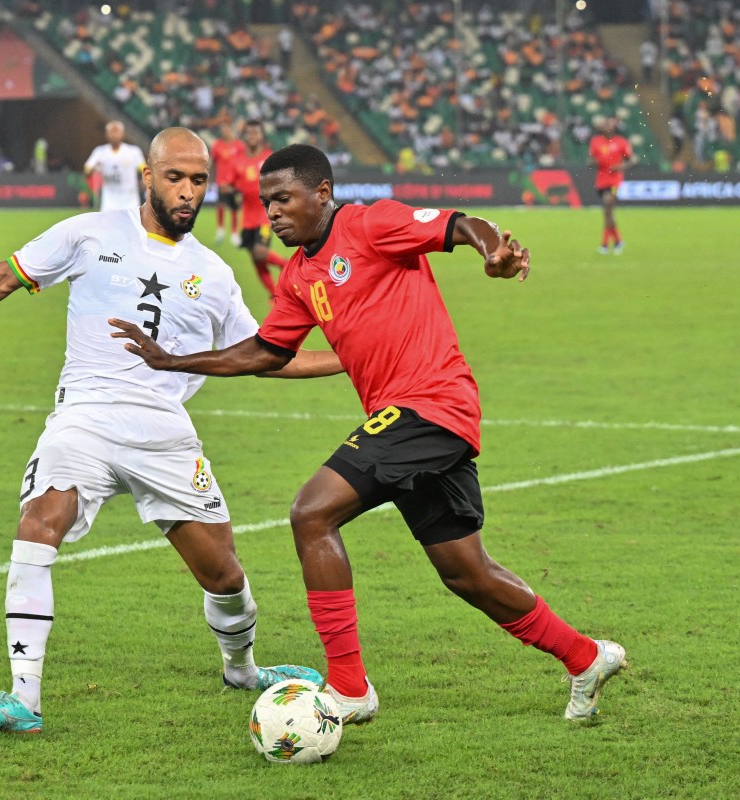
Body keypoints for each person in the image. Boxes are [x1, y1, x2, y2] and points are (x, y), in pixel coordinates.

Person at [111, 143, 627, 724]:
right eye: (266, 203)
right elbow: (266, 351)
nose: (272, 213)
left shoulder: (370, 223)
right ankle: (586, 657)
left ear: (322, 193)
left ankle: (351, 688)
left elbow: (459, 225)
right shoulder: (300, 276)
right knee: (467, 573)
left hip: (430, 403)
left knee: (311, 513)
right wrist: (174, 361)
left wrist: (493, 252)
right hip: (412, 421)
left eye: (283, 199)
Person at [0, 128, 342, 734]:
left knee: (224, 575)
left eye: (198, 181)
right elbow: (2, 276)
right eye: (175, 178)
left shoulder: (214, 273)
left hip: (165, 434)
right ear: (147, 178)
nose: (187, 192)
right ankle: (23, 699)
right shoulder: (88, 233)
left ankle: (242, 669)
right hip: (84, 419)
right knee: (38, 526)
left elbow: (266, 353)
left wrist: (350, 357)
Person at [232, 119, 288, 298]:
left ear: (262, 136)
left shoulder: (269, 158)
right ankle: (274, 294)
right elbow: (233, 185)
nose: (253, 136)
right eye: (249, 132)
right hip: (247, 217)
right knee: (256, 258)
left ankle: (285, 264)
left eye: (256, 132)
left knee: (260, 252)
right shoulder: (238, 161)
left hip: (265, 214)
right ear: (244, 136)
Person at [588, 117, 635, 255]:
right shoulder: (596, 141)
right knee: (608, 212)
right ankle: (618, 241)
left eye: (610, 124)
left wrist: (621, 166)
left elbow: (631, 160)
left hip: (614, 181)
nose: (608, 127)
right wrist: (595, 162)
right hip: (601, 181)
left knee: (608, 206)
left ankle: (604, 244)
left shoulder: (621, 142)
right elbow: (590, 160)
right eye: (605, 124)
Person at [83, 119, 146, 212]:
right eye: (111, 132)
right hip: (109, 200)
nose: (114, 135)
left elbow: (144, 169)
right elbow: (87, 169)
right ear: (106, 134)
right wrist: (93, 169)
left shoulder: (133, 152)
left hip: (130, 199)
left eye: (116, 132)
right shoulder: (100, 152)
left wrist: (144, 181)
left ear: (123, 134)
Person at [209, 119, 244, 246]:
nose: (225, 131)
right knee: (220, 206)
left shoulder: (239, 146)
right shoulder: (217, 145)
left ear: (231, 129)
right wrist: (211, 181)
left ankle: (234, 234)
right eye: (222, 128)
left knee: (234, 208)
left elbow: (243, 162)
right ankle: (220, 231)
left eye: (227, 128)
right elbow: (212, 164)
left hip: (234, 183)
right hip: (221, 182)